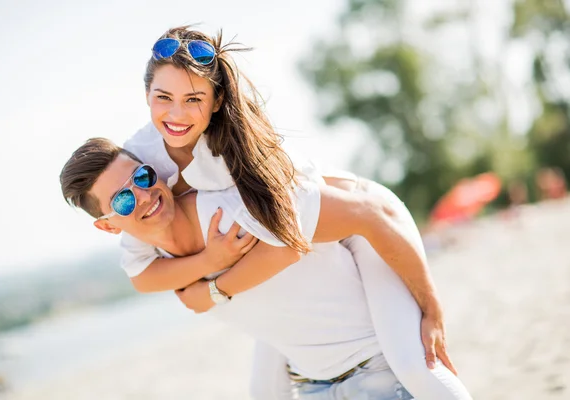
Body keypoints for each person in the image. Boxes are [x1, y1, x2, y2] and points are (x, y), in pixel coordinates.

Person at [122, 25, 449, 371]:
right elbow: (141, 273)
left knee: (414, 360)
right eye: (163, 97)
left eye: (193, 99)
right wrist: (207, 262)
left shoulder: (246, 152)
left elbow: (351, 219)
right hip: (299, 260)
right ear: (146, 94)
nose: (176, 114)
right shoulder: (137, 166)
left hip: (362, 221)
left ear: (217, 101)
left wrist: (432, 309)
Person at [60, 139, 473, 400]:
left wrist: (214, 290)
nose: (144, 195)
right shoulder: (149, 261)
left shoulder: (224, 211)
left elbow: (317, 235)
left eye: (143, 177)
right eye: (124, 201)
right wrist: (210, 263)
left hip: (363, 221)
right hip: (318, 354)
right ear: (108, 225)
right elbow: (145, 282)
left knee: (418, 366)